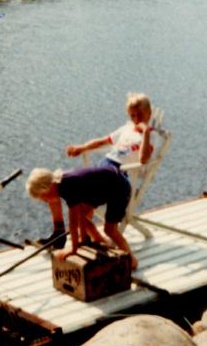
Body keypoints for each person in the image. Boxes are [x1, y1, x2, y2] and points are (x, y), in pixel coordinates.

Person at [38, 93, 154, 250]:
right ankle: (61, 231)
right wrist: (82, 147)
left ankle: (94, 240)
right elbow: (103, 141)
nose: (136, 119)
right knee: (56, 182)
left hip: (117, 176)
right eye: (132, 115)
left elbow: (144, 159)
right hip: (103, 166)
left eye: (140, 115)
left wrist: (146, 133)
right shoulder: (126, 129)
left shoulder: (148, 139)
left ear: (149, 113)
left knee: (78, 208)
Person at [26, 166, 138, 269]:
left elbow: (73, 223)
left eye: (44, 198)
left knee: (110, 230)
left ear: (48, 187)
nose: (45, 201)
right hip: (100, 188)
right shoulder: (59, 182)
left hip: (118, 187)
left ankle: (131, 260)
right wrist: (82, 240)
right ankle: (99, 240)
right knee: (82, 216)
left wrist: (73, 249)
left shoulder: (67, 186)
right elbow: (78, 217)